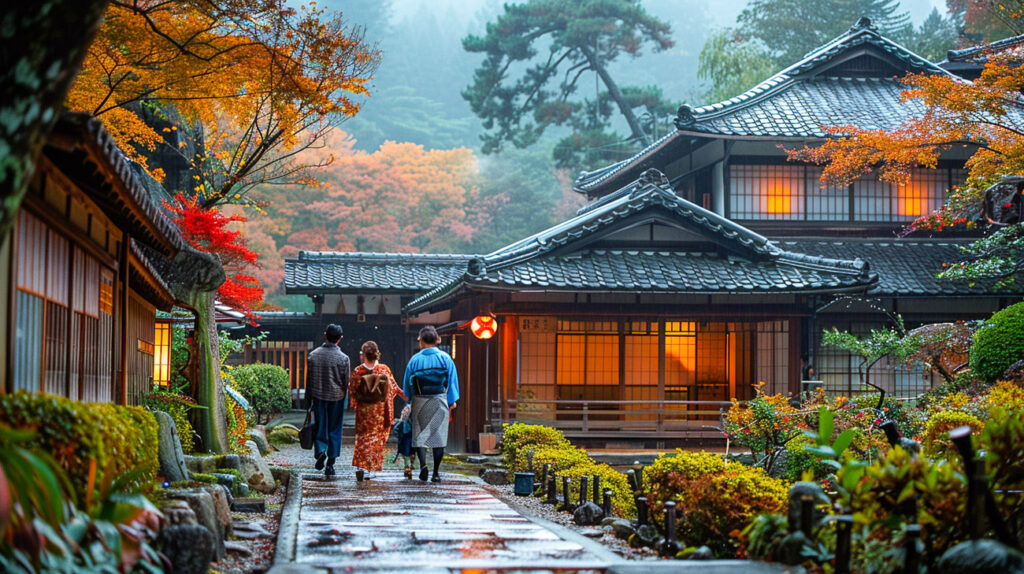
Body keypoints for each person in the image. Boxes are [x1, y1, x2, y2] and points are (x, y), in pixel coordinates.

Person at [403, 325, 459, 483]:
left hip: (420, 399)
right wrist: (451, 401)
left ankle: (423, 466)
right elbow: (452, 381)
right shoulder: (445, 358)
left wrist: (409, 399)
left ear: (420, 340)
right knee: (438, 436)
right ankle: (435, 473)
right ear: (436, 340)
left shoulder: (415, 360)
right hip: (439, 398)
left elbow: (407, 384)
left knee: (420, 435)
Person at [349, 341, 406, 479]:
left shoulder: (358, 371)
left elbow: (352, 391)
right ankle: (371, 469)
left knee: (363, 439)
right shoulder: (384, 369)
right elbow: (392, 388)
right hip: (380, 411)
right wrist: (404, 395)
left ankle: (361, 466)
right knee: (376, 440)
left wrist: (355, 403)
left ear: (363, 355)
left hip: (364, 411)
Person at [306, 324, 350, 477]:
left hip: (318, 395)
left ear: (325, 335)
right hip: (337, 397)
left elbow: (309, 380)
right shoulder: (343, 358)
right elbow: (346, 381)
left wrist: (308, 399)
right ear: (340, 338)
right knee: (335, 429)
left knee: (320, 426)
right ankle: (330, 463)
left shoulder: (313, 355)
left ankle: (320, 451)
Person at [393, 404, 414, 479]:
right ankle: (409, 466)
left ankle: (407, 466)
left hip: (406, 432)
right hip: (413, 431)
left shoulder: (408, 408)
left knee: (406, 451)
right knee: (411, 451)